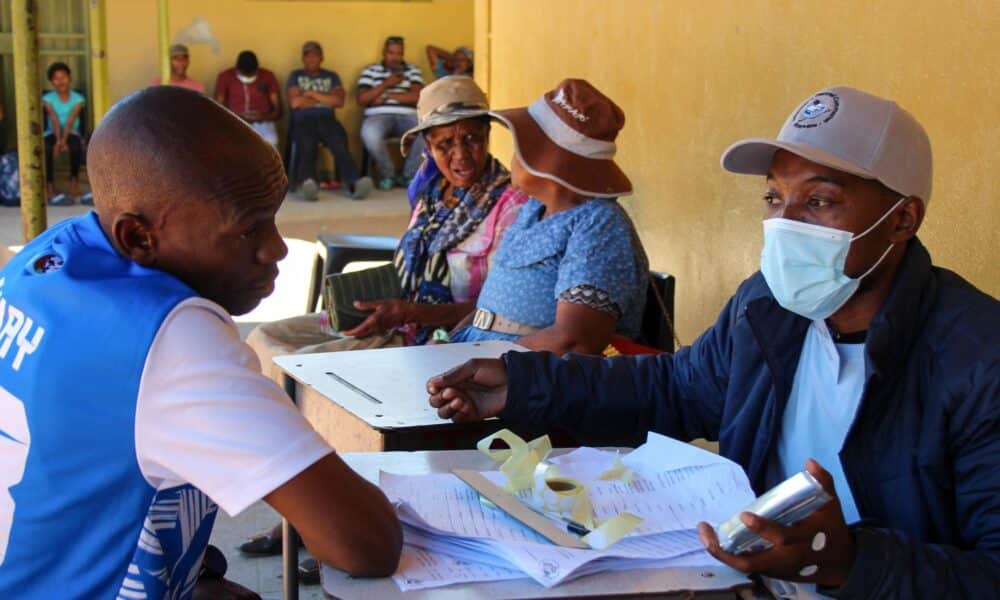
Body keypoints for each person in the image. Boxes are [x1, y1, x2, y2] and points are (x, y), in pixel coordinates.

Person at [428, 86, 1000, 598]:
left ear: (903, 220)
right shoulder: (767, 306)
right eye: (774, 199)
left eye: (819, 201)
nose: (787, 224)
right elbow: (676, 388)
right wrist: (525, 383)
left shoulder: (978, 360)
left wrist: (847, 563)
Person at [0, 86, 401, 599]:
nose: (276, 248)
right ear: (139, 238)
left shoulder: (44, 262)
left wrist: (194, 575)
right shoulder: (168, 337)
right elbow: (364, 543)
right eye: (247, 230)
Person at [241, 76, 527, 578]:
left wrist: (407, 313)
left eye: (472, 138)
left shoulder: (510, 206)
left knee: (320, 381)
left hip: (444, 339)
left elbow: (494, 308)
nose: (461, 154)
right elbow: (412, 266)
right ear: (427, 146)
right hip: (400, 323)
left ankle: (334, 522)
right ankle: (300, 507)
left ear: (487, 135)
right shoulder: (431, 193)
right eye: (445, 143)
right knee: (266, 343)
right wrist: (368, 305)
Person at [448, 79, 649, 356]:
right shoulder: (532, 210)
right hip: (484, 358)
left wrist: (488, 361)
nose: (513, 155)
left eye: (522, 146)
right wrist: (449, 347)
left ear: (543, 159)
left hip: (530, 377)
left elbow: (574, 341)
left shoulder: (598, 223)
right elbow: (489, 309)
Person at [287, 40, 372, 201]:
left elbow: (339, 102)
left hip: (327, 119)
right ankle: (308, 183)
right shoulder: (295, 76)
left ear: (322, 58)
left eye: (315, 56)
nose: (312, 59)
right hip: (303, 119)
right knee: (307, 143)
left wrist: (310, 94)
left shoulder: (331, 76)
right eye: (308, 56)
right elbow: (295, 103)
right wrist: (325, 99)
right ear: (303, 59)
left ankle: (354, 183)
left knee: (339, 141)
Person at [356, 36, 426, 191]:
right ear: (384, 52)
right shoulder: (371, 71)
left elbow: (418, 97)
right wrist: (387, 84)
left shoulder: (412, 71)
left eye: (399, 53)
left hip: (408, 116)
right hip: (378, 117)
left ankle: (410, 175)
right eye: (391, 53)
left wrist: (386, 96)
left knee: (427, 130)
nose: (395, 57)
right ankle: (388, 174)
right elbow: (362, 98)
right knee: (370, 134)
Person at [42, 62, 88, 206]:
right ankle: (49, 186)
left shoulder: (78, 99)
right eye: (56, 78)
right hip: (51, 132)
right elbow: (54, 119)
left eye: (63, 77)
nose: (60, 81)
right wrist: (58, 142)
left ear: (69, 78)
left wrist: (64, 140)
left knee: (75, 147)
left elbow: (70, 120)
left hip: (71, 132)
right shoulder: (47, 99)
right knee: (46, 149)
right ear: (51, 82)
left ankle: (74, 183)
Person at [214, 51, 281, 147]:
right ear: (237, 69)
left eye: (251, 75)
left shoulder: (268, 76)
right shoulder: (225, 77)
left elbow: (278, 110)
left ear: (257, 70)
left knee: (271, 141)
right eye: (244, 75)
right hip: (233, 121)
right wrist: (238, 116)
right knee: (228, 144)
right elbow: (217, 109)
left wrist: (262, 117)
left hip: (262, 122)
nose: (247, 78)